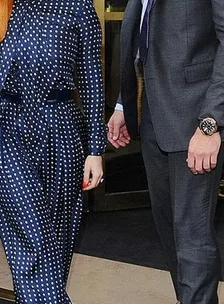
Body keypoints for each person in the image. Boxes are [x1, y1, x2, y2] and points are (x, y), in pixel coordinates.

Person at [0, 0, 106, 302]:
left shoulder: (77, 7)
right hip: (7, 134)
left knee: (55, 248)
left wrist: (95, 150)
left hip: (60, 131)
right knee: (32, 242)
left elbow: (92, 84)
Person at [108, 0, 224, 303]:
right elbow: (144, 42)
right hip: (154, 116)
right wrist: (124, 103)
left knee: (192, 238)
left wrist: (211, 123)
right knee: (170, 232)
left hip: (197, 119)